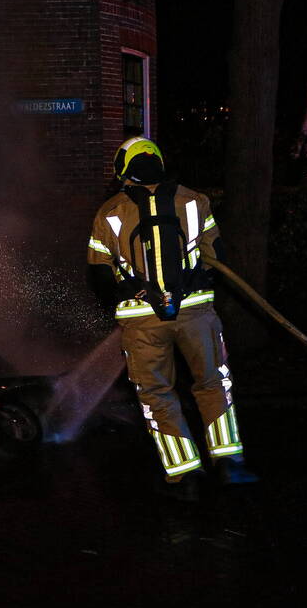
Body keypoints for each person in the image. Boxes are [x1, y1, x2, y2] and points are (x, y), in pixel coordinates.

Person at [86, 136, 257, 500]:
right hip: (196, 313)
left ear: (123, 169)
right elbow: (217, 256)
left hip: (142, 322)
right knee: (213, 383)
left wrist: (126, 296)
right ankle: (230, 465)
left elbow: (98, 275)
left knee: (156, 394)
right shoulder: (196, 201)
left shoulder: (109, 212)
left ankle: (186, 476)